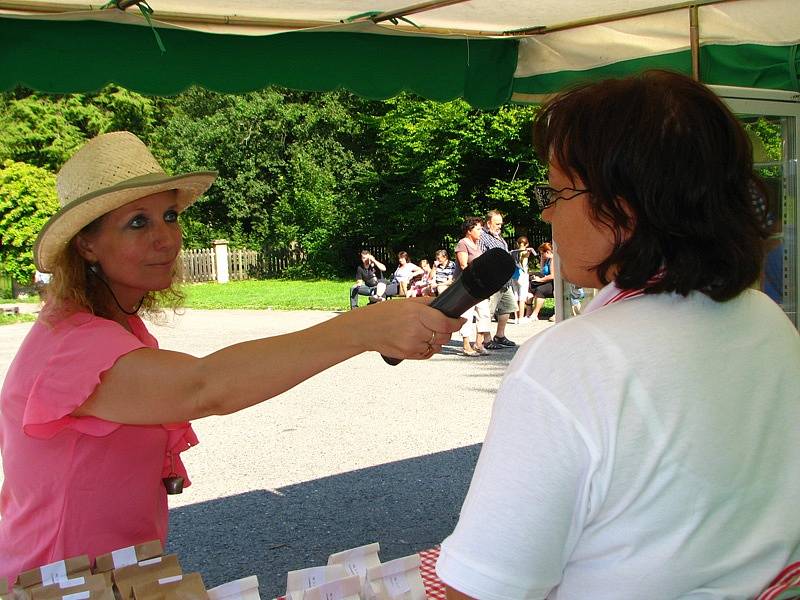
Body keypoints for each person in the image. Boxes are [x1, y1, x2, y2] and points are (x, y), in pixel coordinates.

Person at [0, 131, 463, 583]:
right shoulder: (74, 344)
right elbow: (205, 386)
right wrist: (364, 328)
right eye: (138, 222)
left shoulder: (108, 325)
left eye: (170, 215)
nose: (166, 238)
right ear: (86, 244)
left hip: (113, 574)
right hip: (58, 580)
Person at [437, 70, 800, 599]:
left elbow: (481, 590)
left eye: (559, 191)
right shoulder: (765, 319)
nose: (546, 211)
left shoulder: (570, 363)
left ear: (622, 210)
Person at [479, 210, 516, 349]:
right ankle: (486, 339)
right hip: (493, 280)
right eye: (497, 223)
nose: (500, 226)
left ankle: (500, 335)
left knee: (507, 307)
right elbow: (482, 258)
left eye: (501, 224)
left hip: (505, 280)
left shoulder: (499, 237)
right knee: (488, 310)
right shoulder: (483, 237)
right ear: (489, 223)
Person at [454, 218, 490, 356]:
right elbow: (464, 265)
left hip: (480, 285)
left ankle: (479, 344)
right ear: (469, 231)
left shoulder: (478, 244)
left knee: (484, 313)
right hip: (467, 286)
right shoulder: (463, 243)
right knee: (467, 315)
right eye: (478, 229)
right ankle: (466, 345)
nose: (481, 232)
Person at [527, 241, 554, 321]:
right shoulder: (546, 260)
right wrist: (542, 259)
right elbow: (542, 271)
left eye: (542, 253)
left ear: (548, 252)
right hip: (546, 281)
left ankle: (535, 314)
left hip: (552, 283)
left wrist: (540, 280)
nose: (541, 255)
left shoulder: (553, 260)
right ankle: (528, 312)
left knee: (540, 290)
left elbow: (552, 276)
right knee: (530, 286)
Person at [510, 236, 534, 323]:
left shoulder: (514, 252)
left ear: (517, 243)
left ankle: (516, 317)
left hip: (514, 276)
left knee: (515, 296)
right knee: (522, 297)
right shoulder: (524, 251)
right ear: (527, 244)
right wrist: (529, 252)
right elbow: (525, 255)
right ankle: (521, 318)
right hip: (522, 276)